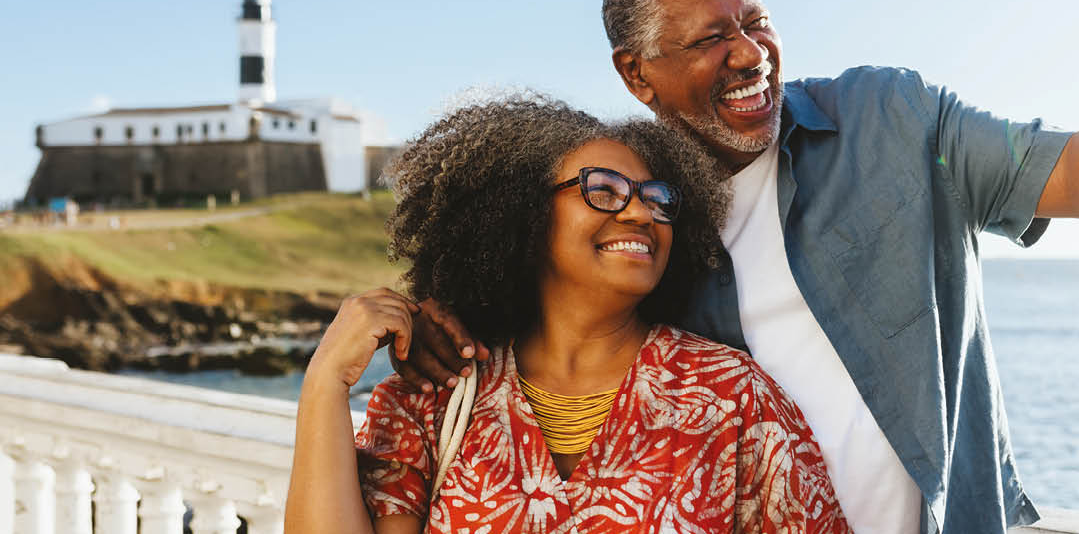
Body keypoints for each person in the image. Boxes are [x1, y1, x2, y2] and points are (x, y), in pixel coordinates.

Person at [390, 0, 1079, 533]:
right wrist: (430, 322)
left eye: (757, 18)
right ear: (636, 75)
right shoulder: (636, 228)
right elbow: (540, 331)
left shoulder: (889, 120)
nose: (750, 53)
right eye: (708, 38)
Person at [283, 95, 851, 533]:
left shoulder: (731, 399)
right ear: (524, 215)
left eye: (657, 199)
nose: (638, 211)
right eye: (603, 189)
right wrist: (325, 381)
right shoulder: (436, 398)